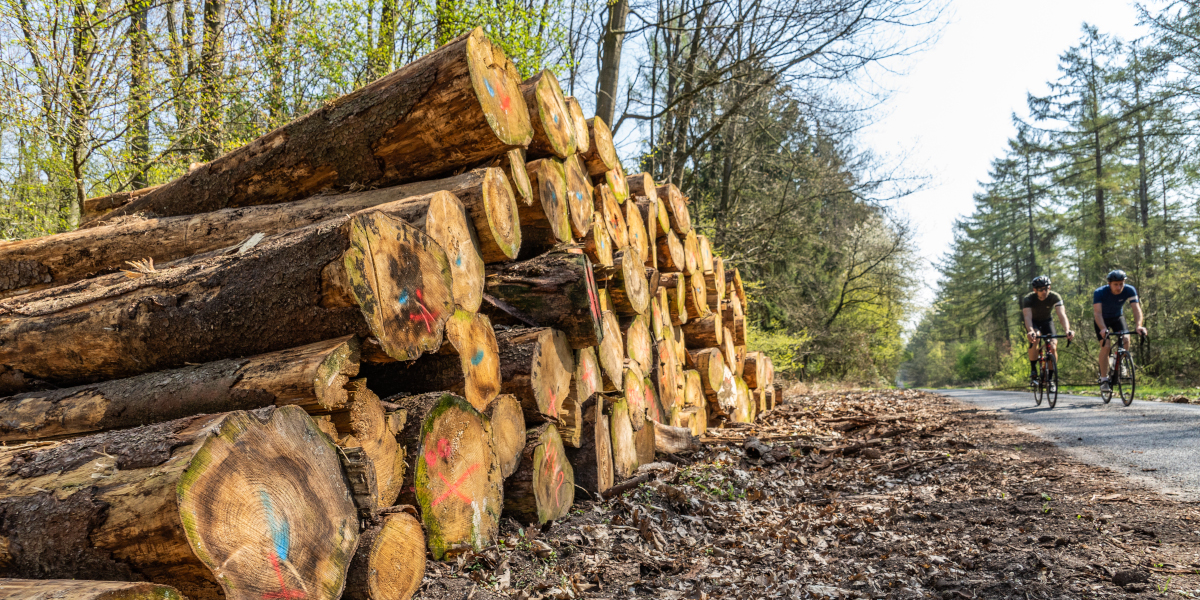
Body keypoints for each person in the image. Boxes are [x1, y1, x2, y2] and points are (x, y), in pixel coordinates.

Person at [1093, 270, 1147, 392]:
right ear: (1109, 283)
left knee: (1126, 338)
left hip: (1117, 318)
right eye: (1115, 284)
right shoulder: (1099, 292)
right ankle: (1104, 379)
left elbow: (1137, 309)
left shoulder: (1130, 290)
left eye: (1121, 284)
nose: (1119, 287)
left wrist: (1139, 326)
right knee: (1106, 346)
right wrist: (1103, 328)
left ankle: (1119, 361)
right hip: (1102, 320)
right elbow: (1097, 313)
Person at [1021, 276, 1074, 389]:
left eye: (1046, 288)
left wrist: (1067, 330)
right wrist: (1030, 331)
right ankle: (1033, 370)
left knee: (1053, 346)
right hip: (1033, 323)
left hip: (1047, 322)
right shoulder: (1028, 299)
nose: (1044, 291)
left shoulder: (1054, 296)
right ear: (1035, 290)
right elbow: (1027, 317)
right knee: (1037, 337)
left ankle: (1050, 380)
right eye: (1041, 289)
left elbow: (1062, 315)